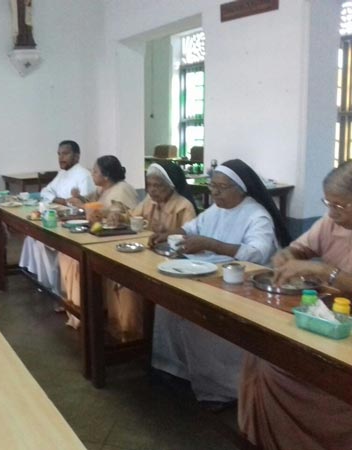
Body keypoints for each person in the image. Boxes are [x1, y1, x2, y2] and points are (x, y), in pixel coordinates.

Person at [151, 159, 291, 405]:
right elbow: (191, 228)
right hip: (210, 274)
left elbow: (257, 254)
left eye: (221, 187)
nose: (214, 192)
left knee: (201, 318)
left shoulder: (257, 215)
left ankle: (222, 389)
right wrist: (169, 234)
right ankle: (175, 369)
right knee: (168, 303)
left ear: (240, 188)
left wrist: (210, 244)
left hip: (241, 282)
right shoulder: (216, 209)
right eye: (212, 186)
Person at [239, 162, 352, 450]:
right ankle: (263, 437)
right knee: (262, 352)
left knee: (280, 367)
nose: (331, 213)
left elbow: (329, 273)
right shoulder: (331, 222)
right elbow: (301, 247)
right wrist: (287, 255)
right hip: (329, 318)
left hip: (344, 329)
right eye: (328, 203)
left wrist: (324, 271)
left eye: (340, 205)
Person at [105, 162, 197, 341]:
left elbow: (190, 237)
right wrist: (119, 216)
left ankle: (135, 334)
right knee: (115, 276)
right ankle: (120, 328)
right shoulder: (150, 201)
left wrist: (167, 232)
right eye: (149, 185)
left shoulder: (184, 206)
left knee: (129, 286)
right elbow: (133, 216)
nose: (152, 190)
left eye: (157, 186)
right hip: (147, 257)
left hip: (171, 263)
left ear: (171, 186)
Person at [59, 155, 139, 328]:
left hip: (117, 240)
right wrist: (79, 199)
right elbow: (91, 202)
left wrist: (86, 207)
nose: (92, 174)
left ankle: (86, 310)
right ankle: (76, 307)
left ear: (106, 175)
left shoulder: (121, 190)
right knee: (67, 256)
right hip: (101, 235)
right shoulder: (103, 189)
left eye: (95, 171)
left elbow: (121, 215)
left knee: (77, 261)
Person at [19, 140, 95, 295]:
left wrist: (64, 202)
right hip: (59, 218)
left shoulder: (84, 176)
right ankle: (43, 281)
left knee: (42, 241)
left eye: (65, 154)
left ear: (77, 156)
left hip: (74, 223)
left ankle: (55, 288)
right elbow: (45, 192)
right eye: (59, 154)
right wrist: (61, 200)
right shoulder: (62, 173)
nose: (61, 158)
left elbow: (84, 205)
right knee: (33, 237)